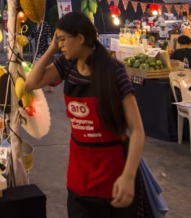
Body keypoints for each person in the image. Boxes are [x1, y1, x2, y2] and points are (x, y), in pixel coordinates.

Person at [25, 12, 145, 216]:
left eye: (62, 39)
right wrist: (52, 48)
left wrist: (128, 176)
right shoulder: (67, 66)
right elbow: (32, 82)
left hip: (114, 175)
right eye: (58, 40)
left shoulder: (114, 72)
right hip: (79, 176)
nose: (60, 45)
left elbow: (137, 131)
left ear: (80, 38)